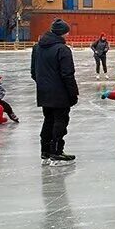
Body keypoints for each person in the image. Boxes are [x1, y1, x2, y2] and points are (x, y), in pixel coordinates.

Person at [30, 18, 79, 164]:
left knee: (48, 120)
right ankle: (56, 151)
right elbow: (67, 74)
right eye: (67, 33)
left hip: (44, 92)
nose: (68, 36)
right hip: (60, 93)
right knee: (60, 121)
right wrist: (73, 94)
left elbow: (33, 72)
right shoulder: (63, 49)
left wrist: (44, 84)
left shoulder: (37, 48)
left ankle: (45, 151)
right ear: (62, 33)